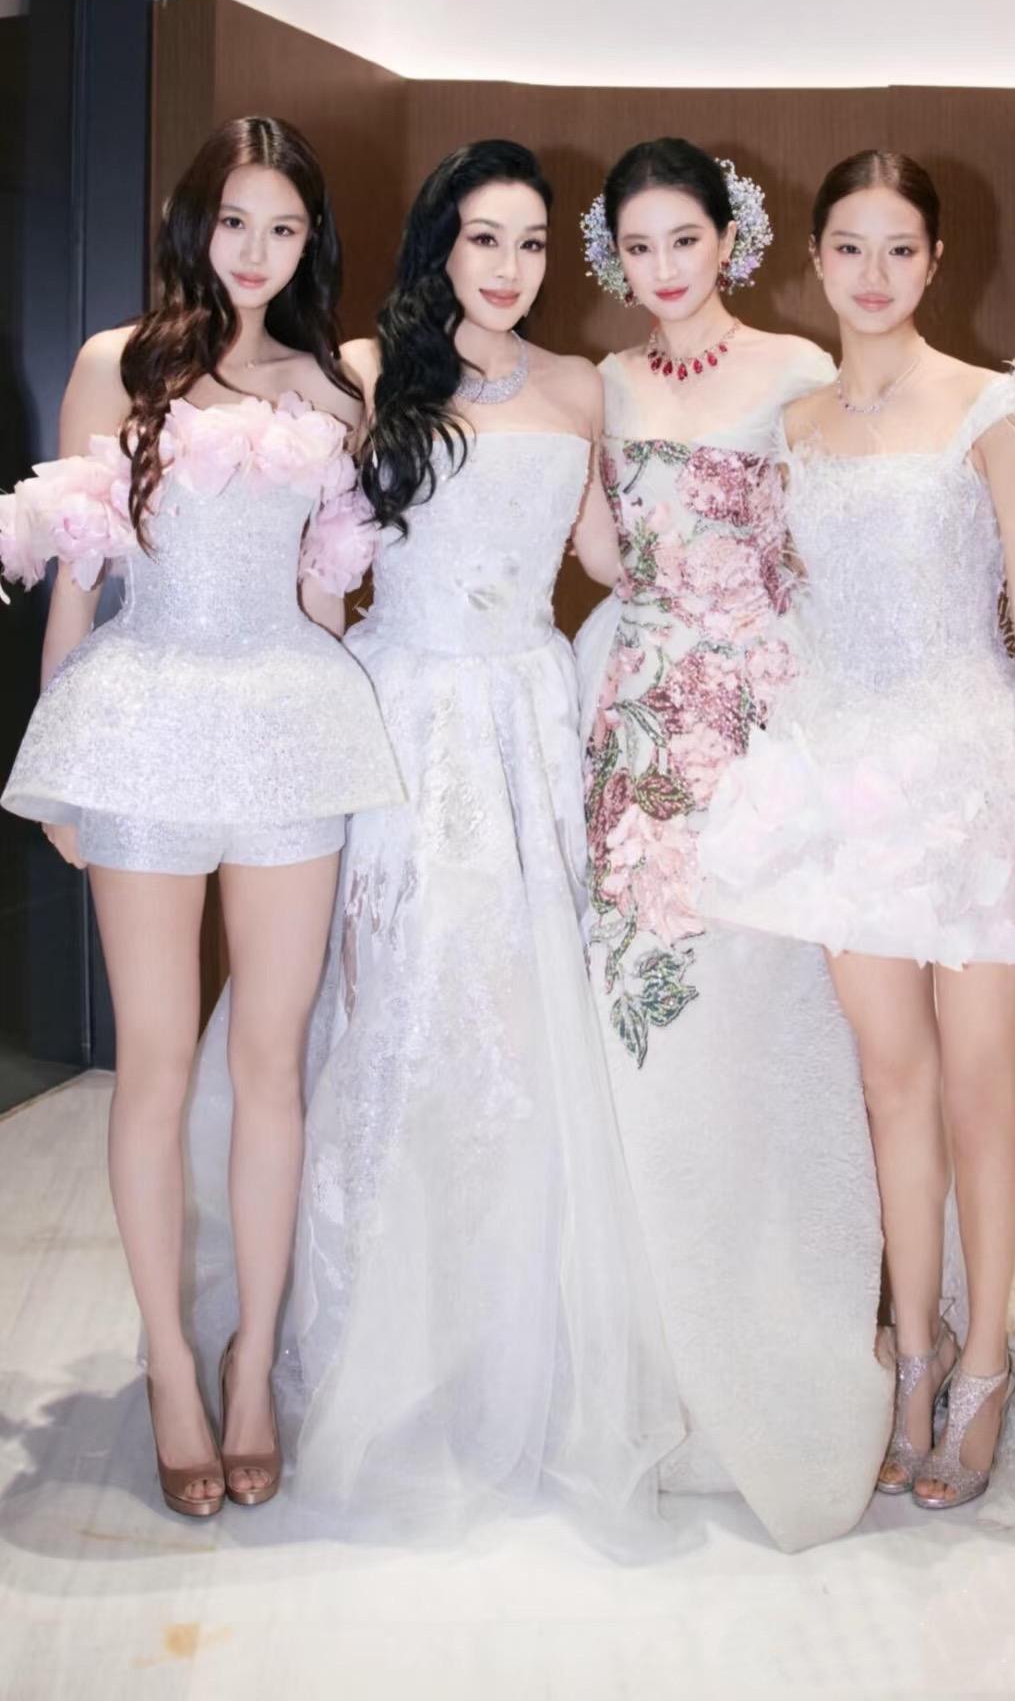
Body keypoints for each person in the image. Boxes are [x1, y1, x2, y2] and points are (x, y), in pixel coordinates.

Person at [189, 139, 683, 1543]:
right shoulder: (361, 371)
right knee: (392, 1010)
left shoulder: (583, 387)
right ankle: (350, 1339)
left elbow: (612, 558)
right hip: (399, 721)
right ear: (439, 246)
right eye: (483, 239)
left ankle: (501, 1339)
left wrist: (749, 558)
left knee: (521, 1024)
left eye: (532, 243)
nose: (508, 268)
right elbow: (309, 566)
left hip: (530, 723)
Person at [0, 117, 401, 1518]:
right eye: (236, 221)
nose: (257, 251)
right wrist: (58, 761)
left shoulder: (336, 385)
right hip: (144, 722)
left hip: (289, 723)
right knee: (158, 1065)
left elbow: (325, 592)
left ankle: (250, 1369)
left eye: (285, 228)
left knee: (275, 1064)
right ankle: (171, 1365)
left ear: (311, 243)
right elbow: (76, 577)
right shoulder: (117, 363)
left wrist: (345, 720)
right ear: (194, 222)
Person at [697, 148, 1015, 1514]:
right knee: (891, 1088)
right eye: (849, 248)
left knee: (979, 1089)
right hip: (845, 787)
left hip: (974, 784)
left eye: (899, 249)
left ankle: (984, 1368)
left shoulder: (994, 410)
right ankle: (911, 1357)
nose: (873, 274)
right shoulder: (793, 427)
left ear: (935, 261)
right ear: (813, 260)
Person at [574, 137, 891, 1552]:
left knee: (766, 1026)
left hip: (763, 722)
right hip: (639, 725)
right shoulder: (606, 383)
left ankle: (783, 1334)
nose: (662, 271)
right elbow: (603, 554)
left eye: (683, 242)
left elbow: (840, 541)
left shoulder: (796, 369)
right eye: (636, 248)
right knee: (647, 1035)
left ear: (731, 238)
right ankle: (655, 1352)